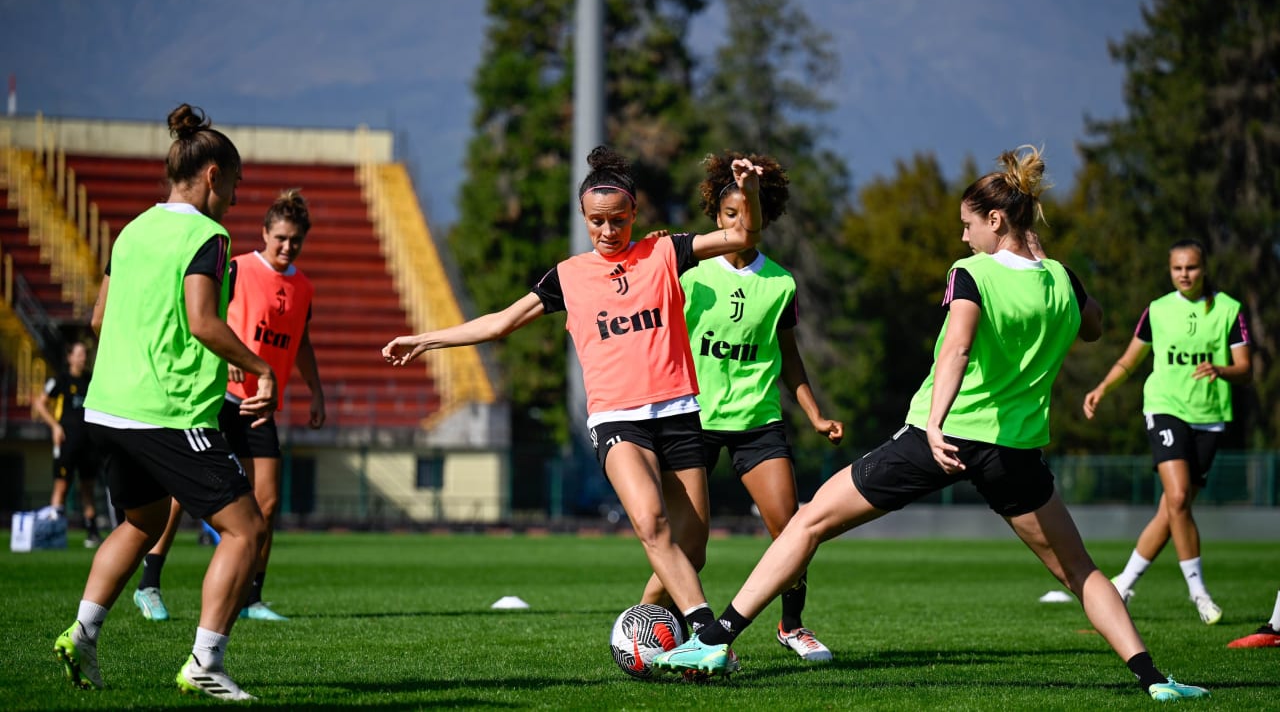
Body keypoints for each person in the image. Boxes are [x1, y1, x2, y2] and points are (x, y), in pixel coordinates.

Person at [652, 146, 1209, 702]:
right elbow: (1094, 326)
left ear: (995, 220)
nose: (964, 238)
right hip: (1014, 452)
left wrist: (937, 424)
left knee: (809, 521)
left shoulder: (973, 273)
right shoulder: (1062, 279)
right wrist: (1049, 263)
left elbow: (957, 351)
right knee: (1080, 570)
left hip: (941, 436)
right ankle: (1155, 680)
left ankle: (717, 639)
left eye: (969, 225)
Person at [383, 145, 763, 639]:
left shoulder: (666, 251)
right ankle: (706, 635)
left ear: (634, 213)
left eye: (618, 220)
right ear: (583, 218)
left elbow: (741, 234)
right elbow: (501, 323)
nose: (608, 232)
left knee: (692, 547)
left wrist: (749, 191)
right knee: (652, 524)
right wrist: (426, 339)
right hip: (617, 419)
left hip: (678, 410)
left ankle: (643, 629)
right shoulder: (567, 276)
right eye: (597, 222)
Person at [53, 104, 276, 701]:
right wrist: (258, 365)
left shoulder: (131, 231)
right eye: (233, 182)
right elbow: (204, 321)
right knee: (246, 531)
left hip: (106, 408)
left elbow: (100, 318)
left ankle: (83, 633)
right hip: (168, 412)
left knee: (143, 520)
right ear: (211, 176)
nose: (233, 195)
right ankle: (205, 662)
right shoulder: (209, 235)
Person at [643, 151, 844, 661]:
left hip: (758, 420)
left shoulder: (780, 283)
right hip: (693, 418)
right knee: (692, 543)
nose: (738, 223)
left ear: (763, 218)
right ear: (716, 217)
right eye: (728, 215)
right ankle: (647, 625)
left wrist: (814, 413)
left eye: (746, 214)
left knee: (792, 527)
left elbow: (790, 357)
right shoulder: (690, 275)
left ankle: (792, 625)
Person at [131, 189, 325, 624]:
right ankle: (149, 583)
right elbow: (203, 316)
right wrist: (227, 360)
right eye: (280, 237)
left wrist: (316, 390)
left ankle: (251, 597)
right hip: (218, 396)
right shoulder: (237, 268)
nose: (287, 246)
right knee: (182, 492)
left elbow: (302, 341)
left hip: (259, 404)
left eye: (295, 240)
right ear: (264, 233)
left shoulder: (303, 287)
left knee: (268, 502)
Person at [1083, 239, 1250, 625]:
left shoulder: (1229, 311)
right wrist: (1102, 388)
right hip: (1164, 407)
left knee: (1172, 509)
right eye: (1177, 268)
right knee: (1176, 497)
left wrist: (1221, 370)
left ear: (1203, 268)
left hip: (1209, 416)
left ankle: (1122, 584)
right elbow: (1130, 358)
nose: (1184, 275)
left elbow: (1246, 368)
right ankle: (1199, 592)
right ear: (1170, 270)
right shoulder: (1156, 310)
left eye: (1191, 268)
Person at [34, 340, 103, 547]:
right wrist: (55, 427)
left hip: (88, 442)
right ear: (70, 357)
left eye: (85, 354)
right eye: (79, 354)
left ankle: (92, 532)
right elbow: (40, 403)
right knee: (62, 486)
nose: (83, 358)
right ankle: (53, 533)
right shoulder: (61, 380)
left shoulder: (91, 380)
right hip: (67, 442)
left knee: (87, 488)